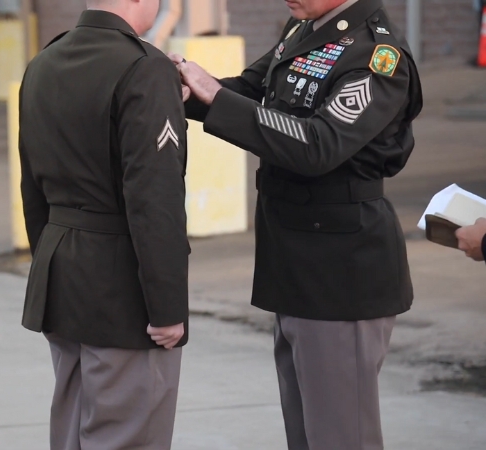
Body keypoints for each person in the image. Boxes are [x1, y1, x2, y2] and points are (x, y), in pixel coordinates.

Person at [172, 0, 422, 448]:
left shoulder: (377, 57)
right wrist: (179, 87)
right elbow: (251, 91)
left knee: (342, 435)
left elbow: (318, 145)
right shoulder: (305, 28)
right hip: (294, 261)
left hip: (339, 273)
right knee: (305, 434)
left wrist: (214, 96)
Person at [19, 0, 190, 448]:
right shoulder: (144, 68)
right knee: (129, 435)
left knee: (72, 432)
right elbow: (155, 199)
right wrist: (167, 305)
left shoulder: (43, 62)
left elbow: (32, 187)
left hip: (61, 276)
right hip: (123, 291)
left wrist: (50, 262)